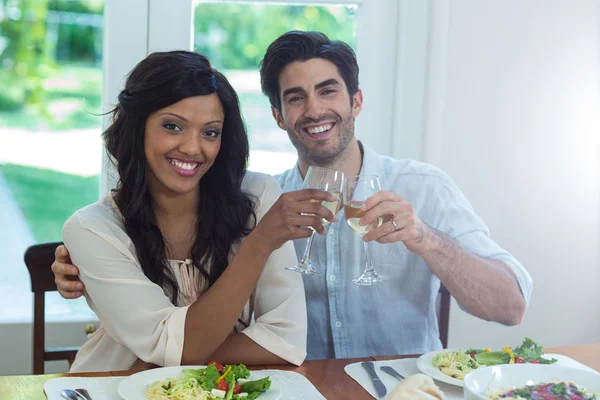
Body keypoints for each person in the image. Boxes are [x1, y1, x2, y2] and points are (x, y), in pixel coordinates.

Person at [53, 32, 532, 361]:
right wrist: (89, 273)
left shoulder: (422, 187)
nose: (315, 110)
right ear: (279, 115)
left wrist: (426, 238)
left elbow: (510, 307)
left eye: (329, 91)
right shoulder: (264, 200)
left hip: (400, 389)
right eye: (295, 97)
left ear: (356, 101)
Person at [58, 50, 339, 372]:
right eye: (173, 126)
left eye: (210, 132)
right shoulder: (92, 229)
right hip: (113, 383)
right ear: (136, 127)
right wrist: (259, 244)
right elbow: (176, 349)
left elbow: (285, 341)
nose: (193, 148)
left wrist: (157, 360)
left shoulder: (259, 196)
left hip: (214, 387)